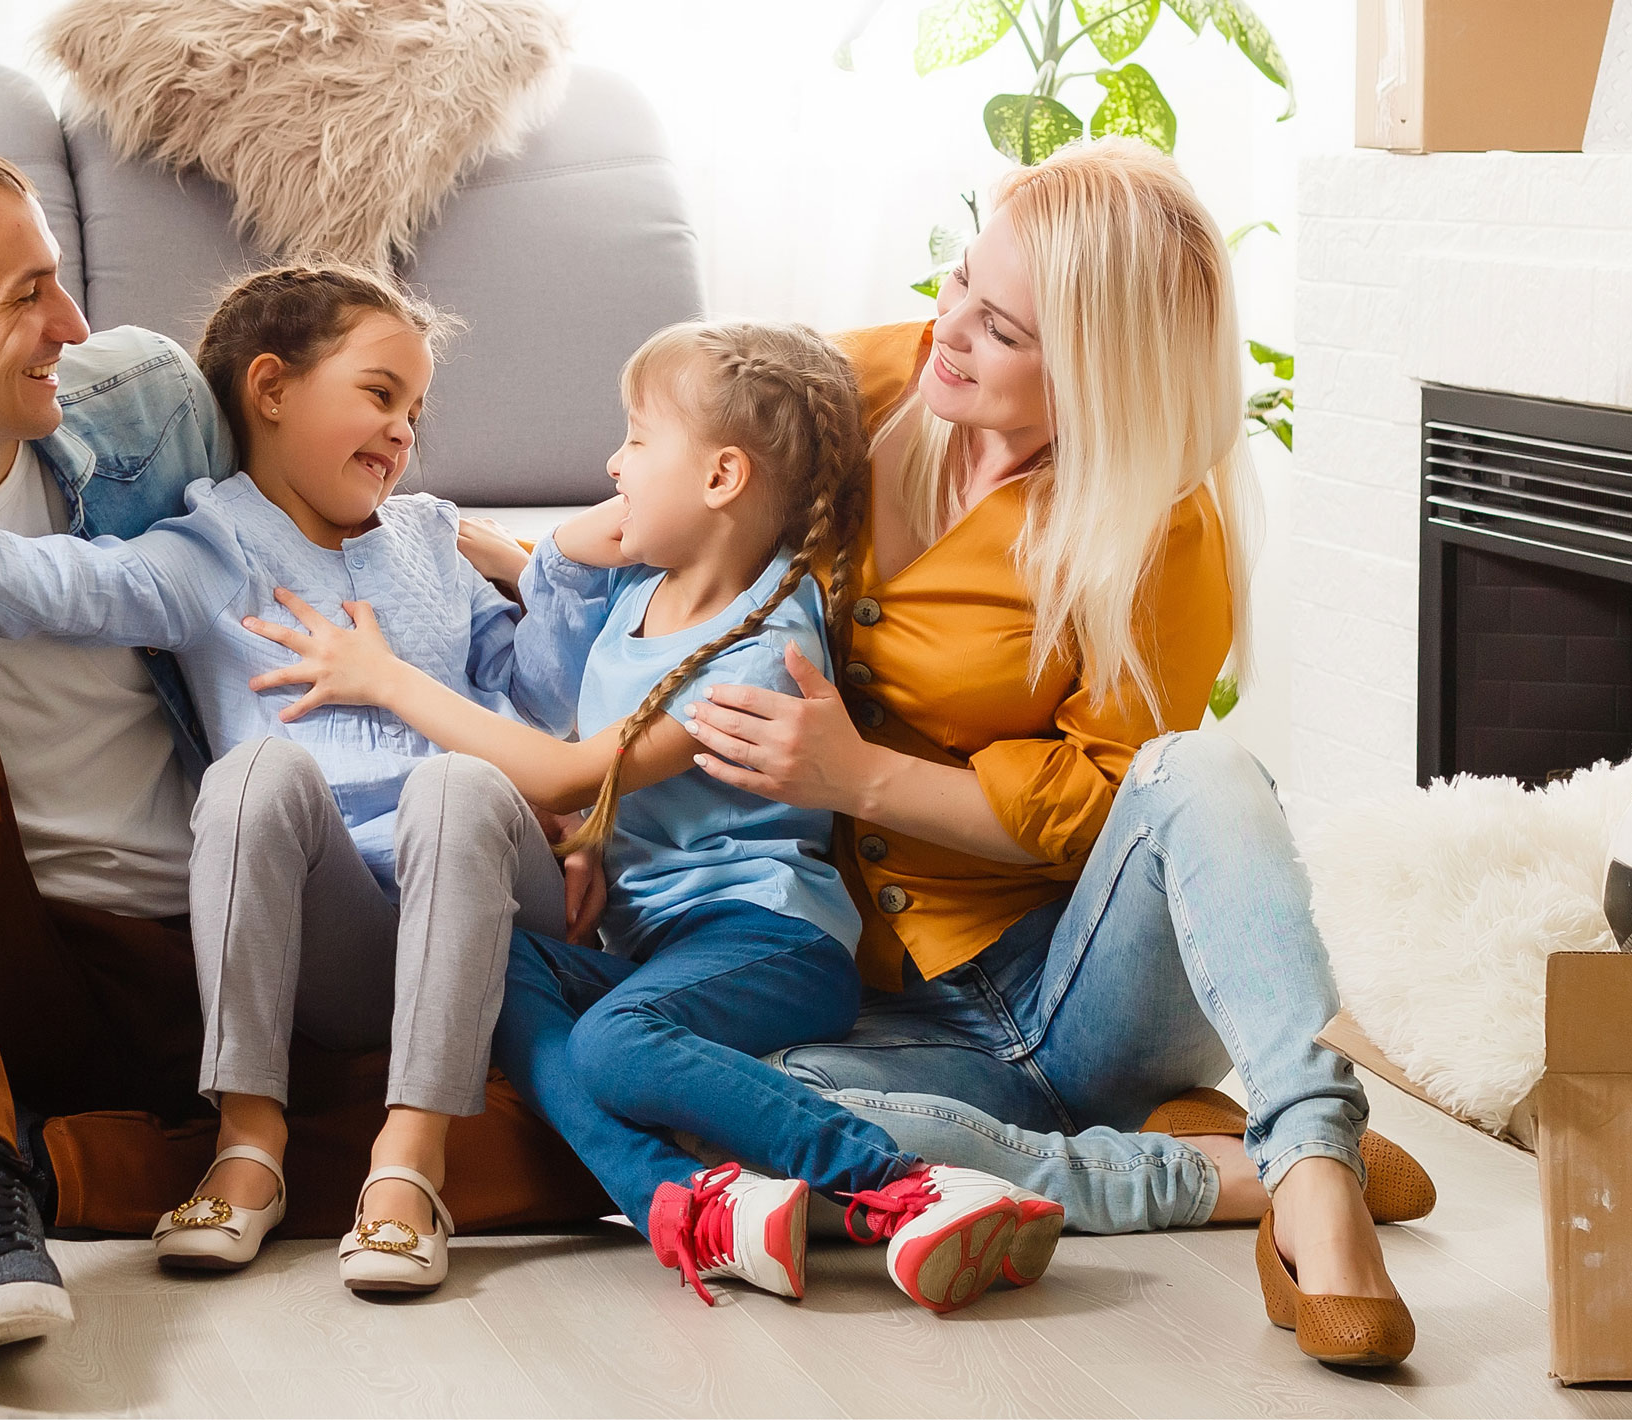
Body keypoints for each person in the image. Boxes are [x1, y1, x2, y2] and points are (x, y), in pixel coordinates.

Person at [671, 139, 1430, 1368]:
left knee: (1201, 771)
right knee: (688, 1093)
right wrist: (508, 565)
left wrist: (854, 777)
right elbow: (672, 459)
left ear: (1097, 369)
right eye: (958, 279)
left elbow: (1095, 803)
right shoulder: (860, 387)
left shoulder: (1159, 526)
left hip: (1079, 988)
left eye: (1001, 329)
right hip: (872, 1012)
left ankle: (1319, 1184)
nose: (945, 329)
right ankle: (1226, 1167)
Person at [0, 263, 578, 1297]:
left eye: (418, 413)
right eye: (380, 395)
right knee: (254, 774)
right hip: (343, 940)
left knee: (461, 789)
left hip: (489, 890)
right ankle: (246, 1142)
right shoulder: (210, 550)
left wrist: (545, 578)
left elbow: (531, 698)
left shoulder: (435, 537)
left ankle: (411, 1159)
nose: (403, 432)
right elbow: (44, 583)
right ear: (270, 389)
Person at [240, 320, 1067, 1315]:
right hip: (660, 941)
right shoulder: (645, 585)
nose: (610, 462)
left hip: (769, 940)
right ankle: (689, 1200)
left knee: (613, 1045)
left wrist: (387, 679)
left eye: (636, 438)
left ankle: (902, 1181)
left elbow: (563, 772)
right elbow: (580, 552)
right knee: (497, 968)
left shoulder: (762, 647)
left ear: (721, 478)